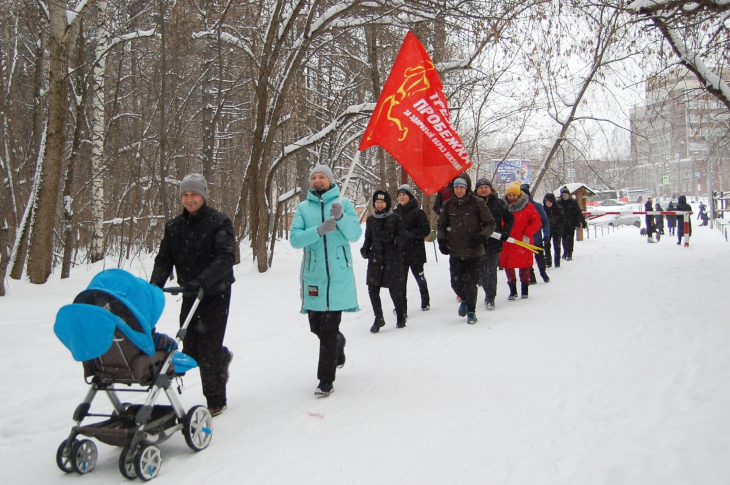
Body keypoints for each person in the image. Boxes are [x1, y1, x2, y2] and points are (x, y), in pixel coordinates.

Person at [150, 173, 235, 417]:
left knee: (207, 348)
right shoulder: (174, 226)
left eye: (194, 194)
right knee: (192, 350)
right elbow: (164, 258)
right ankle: (221, 357)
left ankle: (216, 400)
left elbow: (226, 258)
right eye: (185, 195)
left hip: (216, 292)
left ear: (204, 196)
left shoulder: (219, 222)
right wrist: (156, 283)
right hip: (189, 293)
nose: (189, 199)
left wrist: (203, 280)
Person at [290, 165, 361, 398]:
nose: (317, 181)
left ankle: (325, 380)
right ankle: (338, 344)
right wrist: (317, 231)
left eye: (322, 177)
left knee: (328, 329)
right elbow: (295, 240)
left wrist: (340, 218)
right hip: (314, 276)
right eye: (314, 177)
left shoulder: (344, 204)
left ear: (330, 181)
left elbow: (355, 235)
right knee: (317, 327)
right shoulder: (302, 208)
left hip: (338, 276)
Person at [437, 173, 496, 324]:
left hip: (474, 251)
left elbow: (490, 224)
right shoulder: (448, 205)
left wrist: (481, 237)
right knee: (455, 283)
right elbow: (441, 226)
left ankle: (471, 311)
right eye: (456, 187)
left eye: (461, 187)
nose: (459, 190)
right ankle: (463, 299)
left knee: (470, 283)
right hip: (455, 251)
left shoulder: (477, 203)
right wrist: (442, 240)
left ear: (467, 188)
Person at [361, 190, 407, 332]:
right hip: (375, 259)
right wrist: (365, 249)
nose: (380, 205)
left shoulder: (396, 218)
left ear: (387, 203)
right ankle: (379, 318)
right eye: (377, 202)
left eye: (382, 202)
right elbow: (368, 237)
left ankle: (400, 315)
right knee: (372, 289)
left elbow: (403, 237)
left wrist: (393, 239)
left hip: (392, 260)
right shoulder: (371, 219)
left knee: (395, 290)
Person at [474, 178, 514, 311]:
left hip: (494, 243)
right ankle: (486, 291)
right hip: (477, 243)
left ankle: (490, 297)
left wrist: (505, 232)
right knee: (482, 271)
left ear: (491, 189)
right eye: (481, 187)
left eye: (486, 187)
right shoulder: (472, 203)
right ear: (476, 189)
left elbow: (509, 218)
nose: (484, 190)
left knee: (490, 271)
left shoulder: (498, 203)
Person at [501, 181, 542, 300]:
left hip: (523, 241)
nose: (512, 198)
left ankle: (525, 289)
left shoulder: (528, 207)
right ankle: (512, 291)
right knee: (509, 267)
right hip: (508, 241)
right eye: (510, 195)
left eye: (514, 195)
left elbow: (537, 221)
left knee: (525, 266)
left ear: (519, 195)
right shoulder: (503, 207)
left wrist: (528, 233)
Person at [393, 184, 431, 312]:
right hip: (400, 253)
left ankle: (425, 300)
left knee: (419, 277)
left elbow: (425, 230)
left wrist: (409, 235)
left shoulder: (418, 212)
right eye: (399, 195)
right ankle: (401, 306)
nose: (402, 197)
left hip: (416, 252)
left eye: (404, 195)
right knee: (401, 282)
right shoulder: (395, 213)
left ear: (409, 196)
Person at [521, 184, 550, 284]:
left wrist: (547, 235)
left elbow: (545, 222)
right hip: (524, 239)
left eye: (525, 194)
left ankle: (543, 273)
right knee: (527, 260)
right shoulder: (517, 207)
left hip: (537, 238)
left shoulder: (537, 206)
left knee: (540, 258)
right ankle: (531, 277)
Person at [557, 186, 586, 261]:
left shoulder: (573, 202)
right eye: (563, 195)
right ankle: (565, 252)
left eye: (566, 194)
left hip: (571, 224)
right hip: (562, 224)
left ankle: (569, 253)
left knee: (570, 239)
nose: (565, 196)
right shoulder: (558, 203)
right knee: (564, 239)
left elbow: (578, 212)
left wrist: (582, 221)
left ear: (569, 195)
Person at [542, 193, 565, 268]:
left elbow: (562, 220)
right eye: (547, 202)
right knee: (546, 246)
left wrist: (559, 227)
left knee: (557, 246)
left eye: (550, 202)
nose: (548, 204)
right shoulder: (543, 209)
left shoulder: (558, 209)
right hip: (547, 231)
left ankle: (557, 262)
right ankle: (548, 261)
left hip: (557, 230)